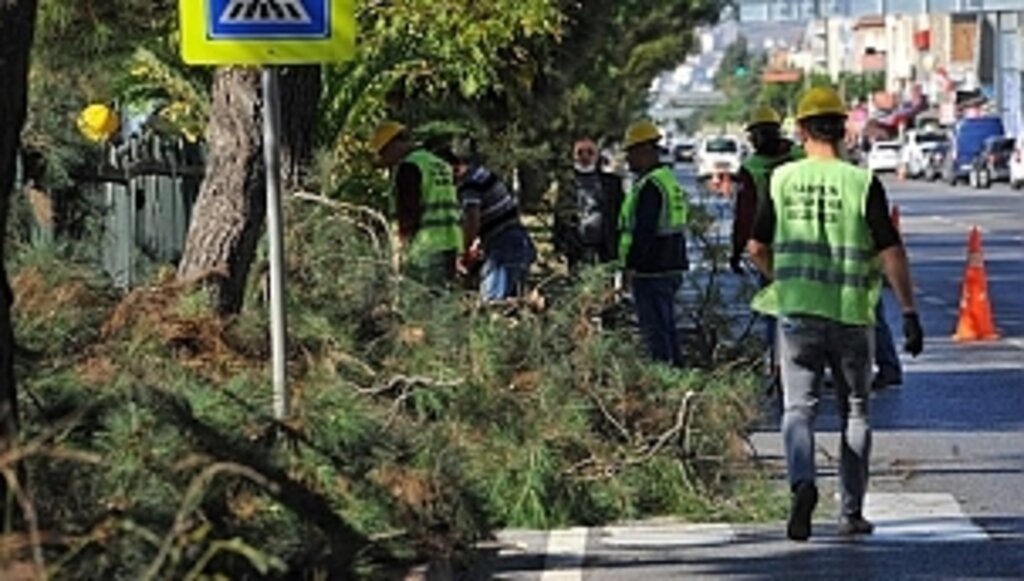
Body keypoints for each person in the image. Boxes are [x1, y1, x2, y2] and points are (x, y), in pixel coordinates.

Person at [747, 86, 924, 541]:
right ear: (844, 131)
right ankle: (851, 513)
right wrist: (908, 312)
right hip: (851, 314)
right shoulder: (862, 183)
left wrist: (781, 280)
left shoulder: (781, 180)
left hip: (797, 313)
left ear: (802, 131)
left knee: (798, 409)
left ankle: (802, 483)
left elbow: (756, 247)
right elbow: (891, 251)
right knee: (856, 412)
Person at [731, 106, 805, 393]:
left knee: (777, 310)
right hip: (803, 244)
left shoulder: (752, 168)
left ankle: (781, 367)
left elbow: (745, 215)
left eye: (755, 135)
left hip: (772, 250)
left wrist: (737, 250)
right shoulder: (800, 156)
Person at [618, 121, 689, 367]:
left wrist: (631, 266)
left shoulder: (651, 186)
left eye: (630, 152)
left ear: (644, 151)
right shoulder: (667, 179)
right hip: (671, 264)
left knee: (655, 331)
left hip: (652, 269)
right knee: (667, 327)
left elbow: (644, 231)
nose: (628, 159)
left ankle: (665, 376)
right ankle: (676, 373)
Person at [370, 121, 462, 287]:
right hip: (450, 243)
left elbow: (408, 214)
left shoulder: (409, 167)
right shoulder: (439, 164)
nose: (385, 159)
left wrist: (401, 253)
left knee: (419, 299)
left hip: (424, 250)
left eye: (383, 153)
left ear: (393, 145)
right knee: (443, 298)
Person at [442, 150, 536, 300]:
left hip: (504, 247)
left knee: (494, 304)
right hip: (513, 241)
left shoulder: (469, 184)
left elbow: (472, 221)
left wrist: (463, 252)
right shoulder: (479, 174)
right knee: (511, 302)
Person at [553, 138, 625, 271]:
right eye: (580, 152)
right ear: (573, 156)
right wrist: (559, 247)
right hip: (576, 248)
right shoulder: (567, 183)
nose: (585, 156)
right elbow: (560, 215)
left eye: (590, 152)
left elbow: (620, 213)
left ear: (597, 156)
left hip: (605, 248)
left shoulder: (612, 183)